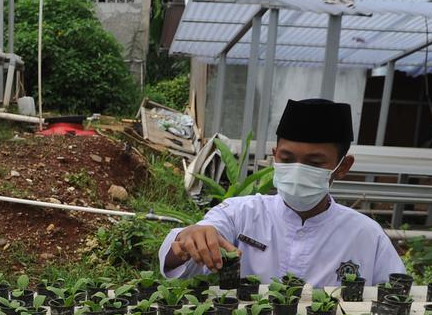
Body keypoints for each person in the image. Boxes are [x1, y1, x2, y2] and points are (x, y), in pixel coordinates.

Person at [159, 98, 405, 286]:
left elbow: (395, 295)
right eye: (287, 158)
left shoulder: (366, 236)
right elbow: (183, 252)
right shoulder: (240, 213)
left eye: (315, 163)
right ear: (275, 156)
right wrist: (189, 239)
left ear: (343, 167)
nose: (298, 170)